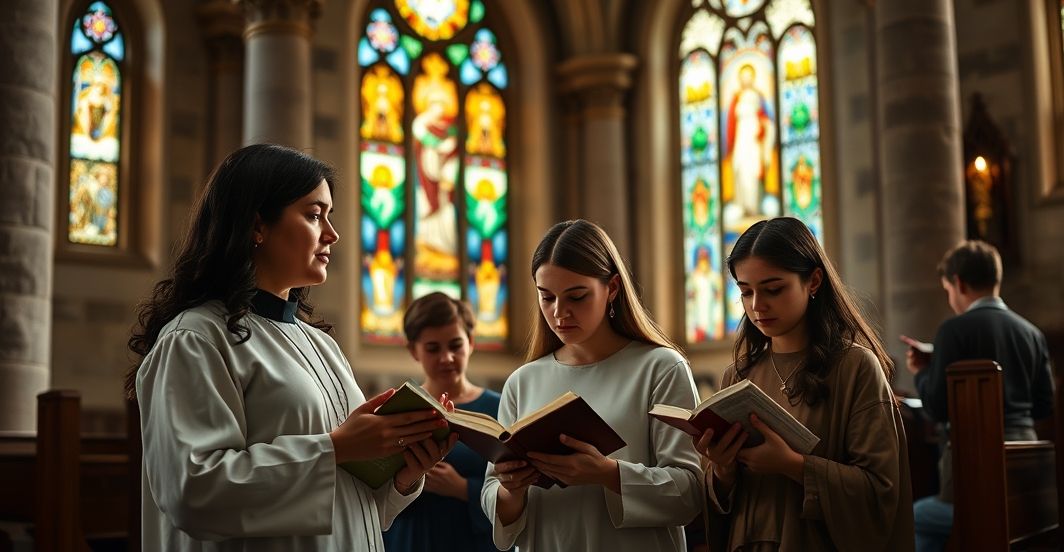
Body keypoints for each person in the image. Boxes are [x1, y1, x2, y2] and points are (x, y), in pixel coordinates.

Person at [126, 144, 458, 550]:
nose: (332, 233)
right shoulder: (195, 339)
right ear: (257, 225)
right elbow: (193, 491)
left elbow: (352, 504)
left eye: (329, 216)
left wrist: (401, 475)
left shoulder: (323, 346)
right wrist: (336, 447)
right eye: (315, 214)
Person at [481, 219, 703, 551]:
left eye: (577, 296)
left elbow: (691, 492)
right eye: (547, 297)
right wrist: (511, 489)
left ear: (612, 288)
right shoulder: (522, 381)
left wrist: (607, 473)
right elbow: (493, 495)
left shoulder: (661, 368)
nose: (559, 312)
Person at [696, 217, 913, 551]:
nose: (757, 306)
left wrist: (793, 465)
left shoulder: (856, 368)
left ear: (813, 281)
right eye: (745, 292)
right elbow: (717, 503)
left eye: (773, 289)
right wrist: (722, 471)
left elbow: (881, 492)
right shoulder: (737, 376)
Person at [906, 240, 1054, 552]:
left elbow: (937, 407)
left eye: (947, 289)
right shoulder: (1032, 333)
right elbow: (1044, 405)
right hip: (1028, 468)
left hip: (973, 470)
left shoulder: (954, 330)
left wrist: (921, 373)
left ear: (957, 282)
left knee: (913, 519)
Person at [383, 292, 507, 552]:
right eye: (433, 348)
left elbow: (517, 486)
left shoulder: (499, 408)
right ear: (413, 350)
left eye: (455, 345)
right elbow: (375, 490)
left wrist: (464, 489)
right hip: (412, 539)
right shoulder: (397, 409)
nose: (446, 357)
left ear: (471, 342)